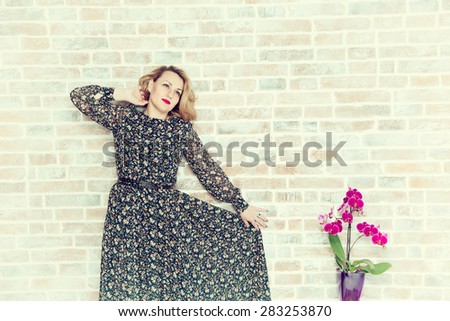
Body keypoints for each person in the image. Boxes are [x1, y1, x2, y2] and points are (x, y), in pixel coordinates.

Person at [70, 65, 271, 301]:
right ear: (151, 85)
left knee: (167, 284)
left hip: (164, 211)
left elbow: (206, 168)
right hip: (126, 207)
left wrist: (240, 204)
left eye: (177, 92)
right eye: (166, 85)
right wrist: (124, 94)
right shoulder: (125, 117)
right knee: (125, 278)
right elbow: (79, 96)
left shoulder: (179, 130)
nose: (171, 94)